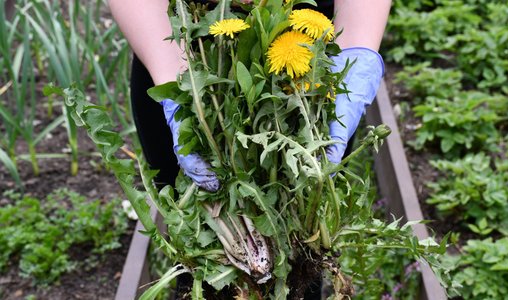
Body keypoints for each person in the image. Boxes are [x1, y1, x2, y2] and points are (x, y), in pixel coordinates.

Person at [108, 0, 391, 297]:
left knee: (300, 262)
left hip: (309, 77)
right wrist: (177, 84)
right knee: (206, 267)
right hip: (172, 53)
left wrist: (358, 49)